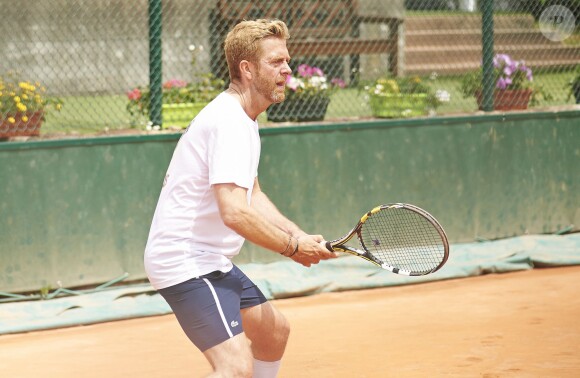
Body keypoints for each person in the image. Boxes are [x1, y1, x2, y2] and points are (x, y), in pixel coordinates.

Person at [144, 19, 337, 377]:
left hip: (210, 259)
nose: (287, 69)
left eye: (287, 60)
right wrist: (292, 248)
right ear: (247, 69)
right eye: (276, 62)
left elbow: (253, 194)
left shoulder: (244, 118)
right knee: (234, 368)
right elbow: (234, 212)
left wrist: (299, 235)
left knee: (274, 332)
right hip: (185, 261)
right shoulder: (229, 121)